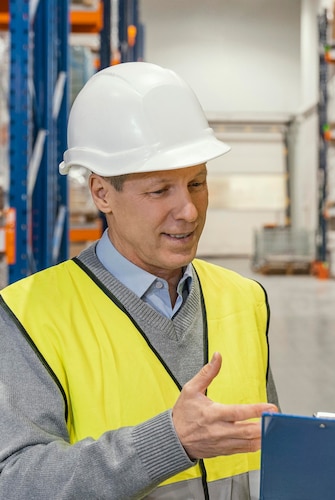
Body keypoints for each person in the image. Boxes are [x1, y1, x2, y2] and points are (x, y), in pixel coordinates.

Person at [0, 61, 279, 499]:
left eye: (197, 183)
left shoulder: (245, 299)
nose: (188, 210)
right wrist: (169, 443)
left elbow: (271, 457)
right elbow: (16, 482)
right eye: (159, 191)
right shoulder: (29, 316)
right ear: (101, 193)